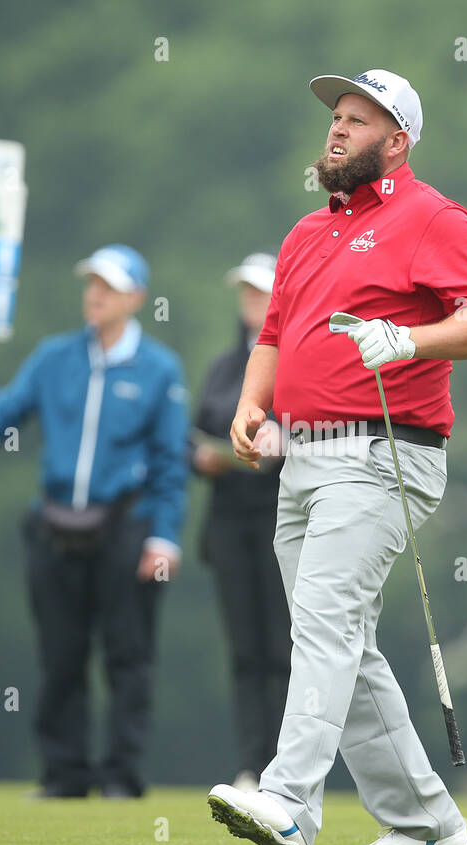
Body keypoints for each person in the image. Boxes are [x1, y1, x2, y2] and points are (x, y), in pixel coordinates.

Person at [206, 69, 467, 845]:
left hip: (384, 454)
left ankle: (288, 802)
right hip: (301, 458)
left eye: (359, 119)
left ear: (397, 140)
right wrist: (252, 404)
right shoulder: (308, 232)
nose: (337, 130)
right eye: (336, 117)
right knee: (342, 639)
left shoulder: (433, 218)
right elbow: (273, 333)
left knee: (326, 620)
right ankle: (424, 823)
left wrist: (409, 339)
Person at [0, 244, 188, 799]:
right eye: (92, 283)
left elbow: (171, 462)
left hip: (128, 529)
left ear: (136, 298)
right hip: (55, 527)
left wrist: (164, 535)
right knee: (60, 655)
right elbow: (5, 413)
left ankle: (120, 775)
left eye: (110, 287)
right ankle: (64, 774)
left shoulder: (159, 369)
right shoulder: (55, 357)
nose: (96, 294)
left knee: (127, 657)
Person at [192, 253, 291, 793]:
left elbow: (300, 434)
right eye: (246, 293)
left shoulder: (294, 360)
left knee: (281, 648)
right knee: (244, 651)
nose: (252, 302)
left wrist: (276, 443)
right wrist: (204, 458)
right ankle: (253, 765)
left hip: (280, 519)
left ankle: (284, 766)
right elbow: (193, 436)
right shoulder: (222, 368)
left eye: (261, 293)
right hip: (229, 523)